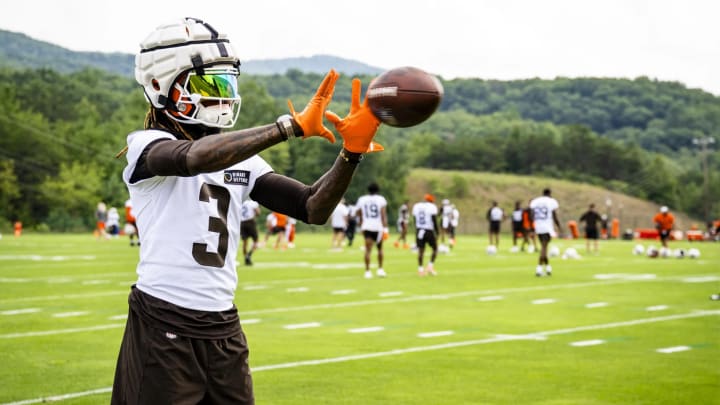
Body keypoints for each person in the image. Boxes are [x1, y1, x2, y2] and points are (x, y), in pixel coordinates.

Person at [112, 18, 382, 405]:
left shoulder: (241, 159)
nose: (222, 95)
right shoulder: (146, 145)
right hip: (163, 320)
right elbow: (194, 158)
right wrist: (286, 127)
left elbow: (312, 207)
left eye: (227, 83)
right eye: (209, 83)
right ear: (159, 85)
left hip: (223, 327)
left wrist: (350, 154)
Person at [355, 182, 388, 279]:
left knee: (368, 250)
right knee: (380, 249)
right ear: (377, 190)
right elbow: (383, 215)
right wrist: (385, 228)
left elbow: (358, 212)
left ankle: (367, 271)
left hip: (367, 226)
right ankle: (380, 269)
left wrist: (361, 222)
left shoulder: (362, 199)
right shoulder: (380, 199)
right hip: (378, 227)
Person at [529, 188, 561, 277]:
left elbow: (532, 215)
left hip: (538, 226)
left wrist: (533, 227)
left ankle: (548, 268)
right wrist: (558, 226)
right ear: (550, 193)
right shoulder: (551, 201)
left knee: (544, 247)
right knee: (544, 247)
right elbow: (554, 215)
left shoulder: (536, 201)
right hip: (547, 227)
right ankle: (539, 268)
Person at [412, 194, 439, 276]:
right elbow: (434, 220)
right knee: (435, 249)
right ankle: (430, 266)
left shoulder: (416, 206)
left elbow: (415, 219)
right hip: (428, 230)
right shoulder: (432, 207)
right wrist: (437, 232)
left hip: (419, 230)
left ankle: (420, 269)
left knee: (421, 251)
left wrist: (416, 229)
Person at [240, 199, 261, 265]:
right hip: (250, 222)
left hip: (242, 223)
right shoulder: (253, 203)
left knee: (245, 241)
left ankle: (245, 257)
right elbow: (258, 213)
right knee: (256, 240)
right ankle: (249, 255)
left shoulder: (241, 202)